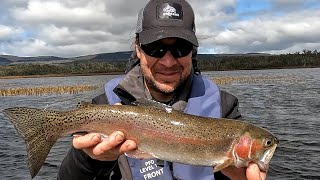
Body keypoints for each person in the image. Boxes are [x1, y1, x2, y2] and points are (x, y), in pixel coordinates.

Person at [58, 0, 267, 179]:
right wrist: (90, 158)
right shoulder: (106, 104)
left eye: (180, 48)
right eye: (155, 48)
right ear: (138, 49)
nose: (168, 61)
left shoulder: (225, 108)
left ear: (193, 51)